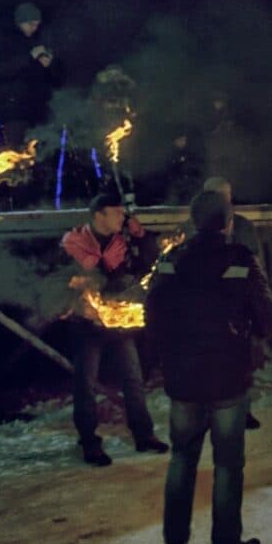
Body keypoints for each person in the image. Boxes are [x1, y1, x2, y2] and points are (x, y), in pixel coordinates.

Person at [145, 190, 272, 544]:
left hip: (183, 379)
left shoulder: (171, 260)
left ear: (192, 220)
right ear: (228, 221)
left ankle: (174, 543)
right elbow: (269, 318)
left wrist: (168, 355)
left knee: (182, 459)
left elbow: (152, 317)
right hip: (227, 377)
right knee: (228, 464)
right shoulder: (241, 259)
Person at [61, 193, 168, 466]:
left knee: (133, 379)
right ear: (99, 215)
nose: (123, 216)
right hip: (87, 322)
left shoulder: (124, 242)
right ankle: (89, 442)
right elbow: (64, 280)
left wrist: (141, 237)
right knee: (85, 384)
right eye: (117, 212)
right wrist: (80, 301)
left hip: (118, 320)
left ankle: (144, 435)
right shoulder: (73, 242)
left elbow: (149, 263)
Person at [193, 176, 268, 430]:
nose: (227, 201)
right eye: (220, 196)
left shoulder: (243, 226)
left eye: (228, 195)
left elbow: (255, 261)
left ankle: (242, 410)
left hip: (238, 305)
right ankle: (209, 412)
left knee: (241, 363)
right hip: (207, 308)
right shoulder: (194, 227)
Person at [0, 2, 66, 147]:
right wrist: (29, 57)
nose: (34, 28)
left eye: (37, 25)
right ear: (20, 22)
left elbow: (49, 78)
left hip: (35, 110)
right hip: (13, 111)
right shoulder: (2, 41)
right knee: (16, 150)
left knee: (37, 151)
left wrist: (49, 65)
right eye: (31, 24)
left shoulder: (34, 41)